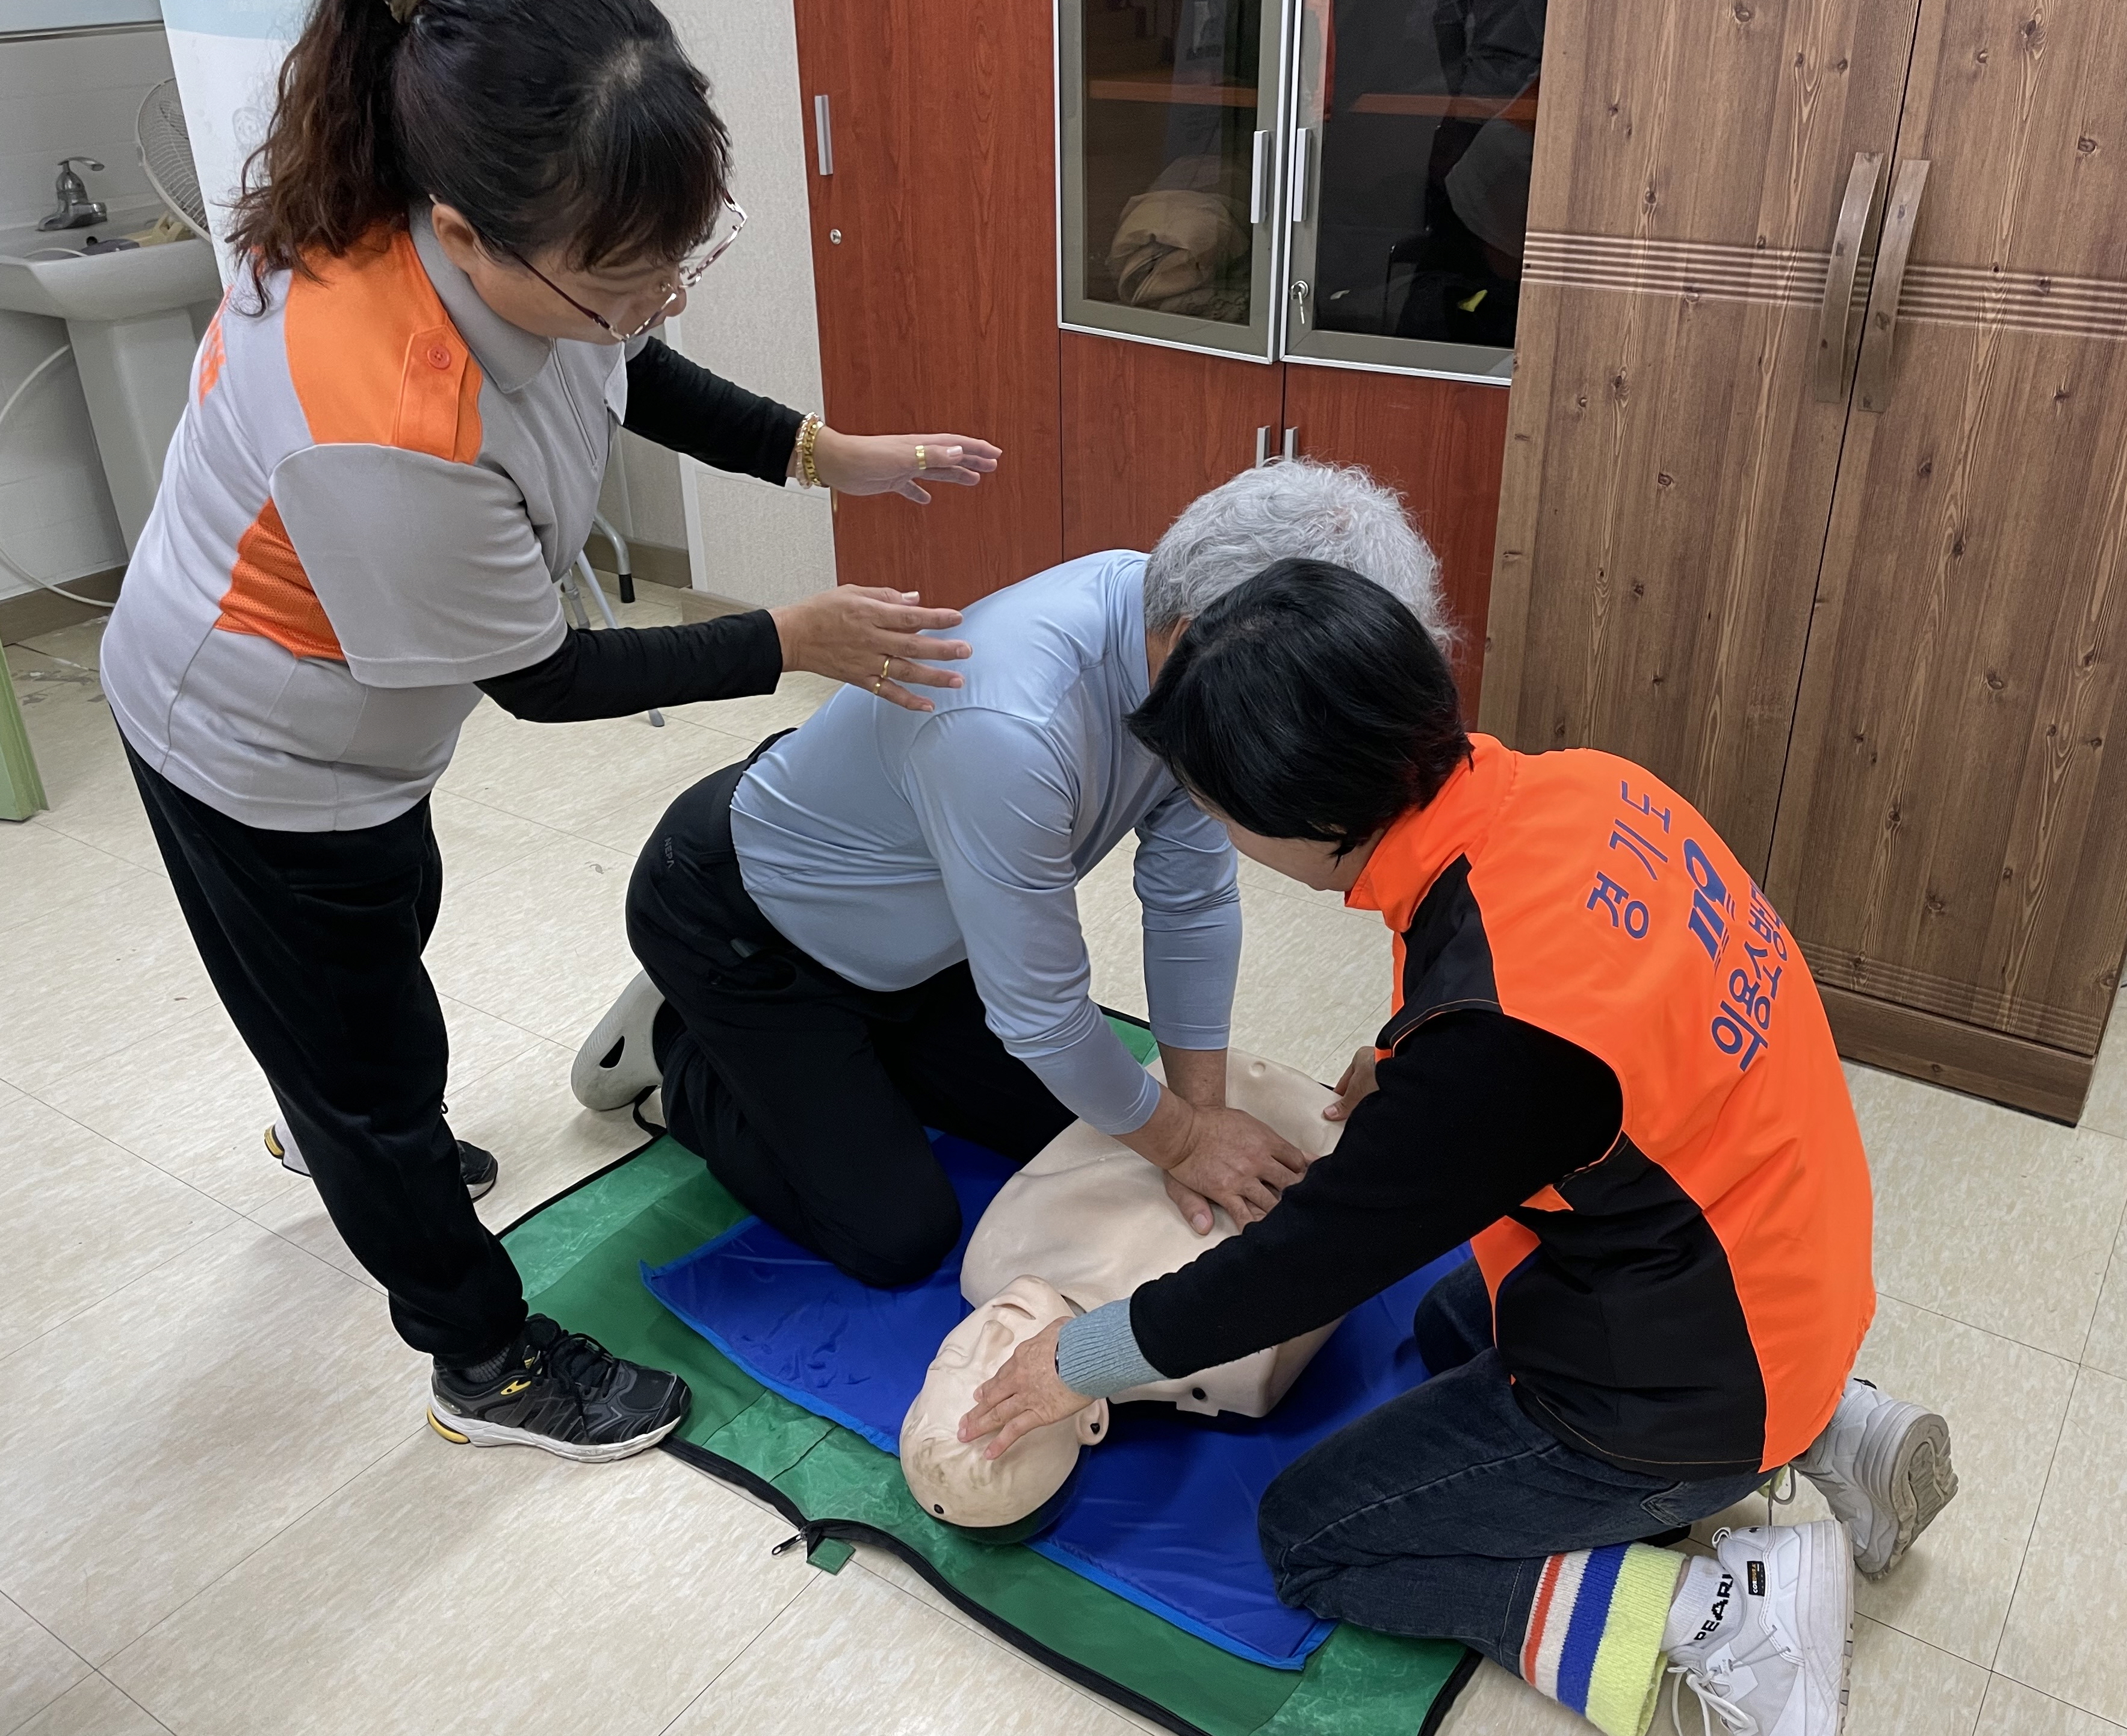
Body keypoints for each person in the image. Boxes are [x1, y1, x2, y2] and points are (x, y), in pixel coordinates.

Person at [98, 0, 1001, 1463]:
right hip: (251, 748)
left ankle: (333, 1104)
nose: (660, 301)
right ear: (467, 237)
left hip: (361, 736)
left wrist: (826, 453)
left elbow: (625, 364)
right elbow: (543, 674)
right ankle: (483, 1359)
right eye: (627, 278)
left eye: (678, 258)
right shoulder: (384, 419)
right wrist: (793, 638)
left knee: (381, 949)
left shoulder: (496, 230)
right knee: (374, 1080)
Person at [960, 561, 1960, 1736]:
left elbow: (1305, 1261)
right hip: (1777, 1259)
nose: (1208, 828)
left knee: (1316, 1540)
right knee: (1448, 1326)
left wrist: (1081, 1356)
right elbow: (1613, 1022)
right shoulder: (1580, 785)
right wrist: (1413, 1063)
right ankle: (1837, 1425)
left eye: (1211, 805)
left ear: (1301, 819)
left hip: (1705, 1370)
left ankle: (1721, 1612)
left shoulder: (1499, 1042)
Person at [572, 461, 1451, 1286]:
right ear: (1201, 638)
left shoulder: (1196, 650)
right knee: (896, 1235)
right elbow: (1041, 1014)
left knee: (1084, 1129)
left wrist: (1198, 1113)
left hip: (924, 934)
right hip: (743, 924)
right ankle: (679, 1039)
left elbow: (1191, 901)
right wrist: (1181, 1142)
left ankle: (855, 1060)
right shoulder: (1010, 722)